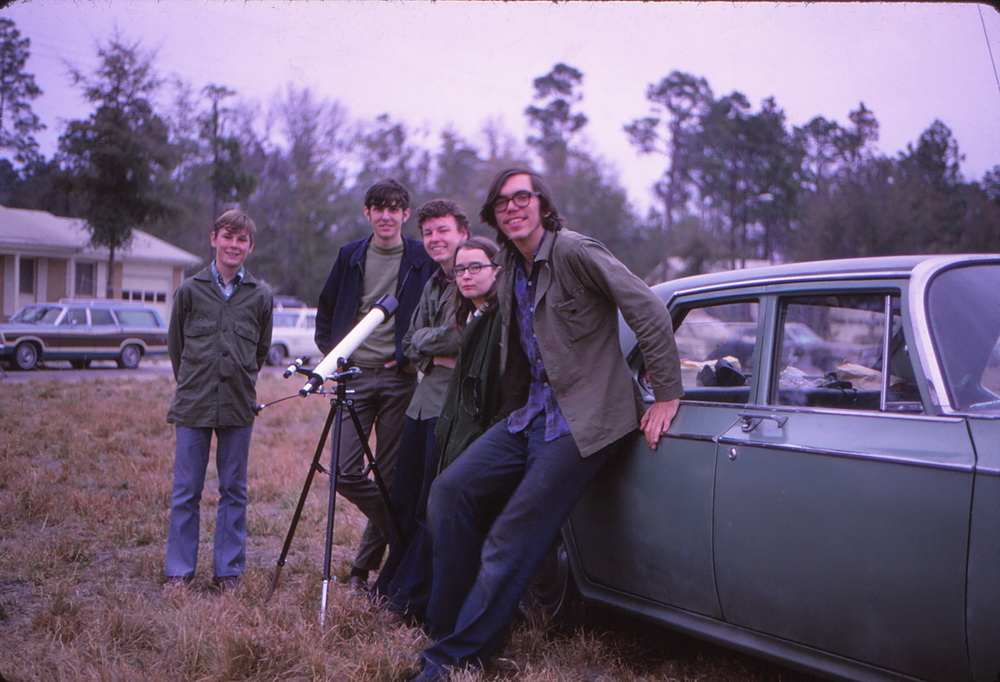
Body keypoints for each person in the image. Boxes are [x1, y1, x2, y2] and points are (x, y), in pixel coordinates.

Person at [408, 169, 683, 681]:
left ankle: (455, 661)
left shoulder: (575, 251)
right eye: (502, 203)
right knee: (449, 494)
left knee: (510, 538)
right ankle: (448, 633)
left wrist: (666, 393)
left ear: (541, 203)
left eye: (522, 198)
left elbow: (646, 306)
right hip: (529, 415)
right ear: (492, 215)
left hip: (583, 422)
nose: (513, 208)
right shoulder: (511, 264)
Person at [378, 235, 508, 628]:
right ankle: (405, 596)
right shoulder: (463, 306)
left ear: (497, 270)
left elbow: (470, 356)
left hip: (481, 427)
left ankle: (422, 604)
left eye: (476, 268)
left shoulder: (500, 315)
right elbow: (409, 343)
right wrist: (434, 346)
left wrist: (438, 344)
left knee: (441, 510)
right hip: (444, 414)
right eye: (461, 270)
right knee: (415, 504)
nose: (465, 276)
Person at [315, 178, 435, 589]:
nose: (386, 215)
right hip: (355, 378)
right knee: (345, 473)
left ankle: (360, 570)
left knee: (388, 478)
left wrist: (407, 357)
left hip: (401, 381)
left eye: (394, 208)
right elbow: (328, 310)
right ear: (367, 213)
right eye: (377, 207)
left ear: (405, 214)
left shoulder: (422, 258)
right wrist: (335, 354)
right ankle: (405, 532)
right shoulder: (350, 255)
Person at [164, 208, 273, 594]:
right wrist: (196, 381)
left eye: (241, 239)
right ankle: (179, 572)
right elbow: (176, 346)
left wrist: (236, 379)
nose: (234, 245)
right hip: (193, 403)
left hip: (238, 405)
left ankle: (228, 572)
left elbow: (260, 351)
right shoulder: (190, 290)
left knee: (234, 490)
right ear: (214, 239)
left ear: (250, 246)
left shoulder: (260, 296)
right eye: (227, 236)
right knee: (186, 490)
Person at [373, 199, 469, 602]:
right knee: (403, 498)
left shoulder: (471, 278)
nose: (434, 239)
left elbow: (459, 337)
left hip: (449, 407)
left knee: (431, 503)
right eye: (428, 232)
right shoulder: (433, 282)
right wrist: (431, 347)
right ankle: (392, 583)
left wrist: (428, 345)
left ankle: (414, 596)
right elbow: (409, 343)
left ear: (462, 232)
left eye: (443, 230)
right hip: (419, 403)